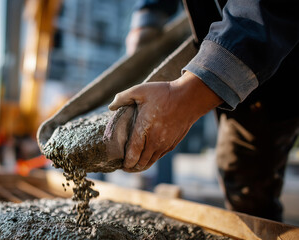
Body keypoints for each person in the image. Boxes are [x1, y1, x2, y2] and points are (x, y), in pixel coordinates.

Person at [111, 0, 299, 222]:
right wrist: (149, 13)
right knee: (243, 179)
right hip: (244, 61)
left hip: (277, 63)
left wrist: (186, 96)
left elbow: (269, 10)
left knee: (249, 181)